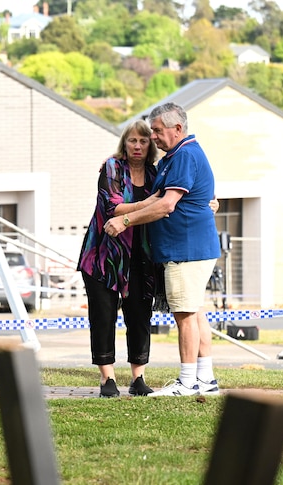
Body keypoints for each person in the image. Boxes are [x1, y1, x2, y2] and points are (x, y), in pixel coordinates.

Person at [104, 102, 221, 397]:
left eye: (157, 131)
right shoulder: (177, 156)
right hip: (188, 248)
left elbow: (167, 204)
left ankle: (187, 381)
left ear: (177, 128)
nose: (153, 136)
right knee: (195, 313)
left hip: (186, 249)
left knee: (184, 315)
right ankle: (206, 380)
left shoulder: (184, 155)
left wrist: (125, 220)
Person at [77, 119, 160, 398]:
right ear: (124, 143)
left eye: (143, 140)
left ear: (151, 145)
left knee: (139, 315)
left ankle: (138, 378)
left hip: (140, 256)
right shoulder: (112, 168)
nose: (137, 146)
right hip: (104, 257)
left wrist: (212, 199)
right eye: (132, 140)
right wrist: (147, 204)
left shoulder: (155, 174)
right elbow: (111, 207)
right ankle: (107, 379)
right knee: (103, 316)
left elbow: (177, 193)